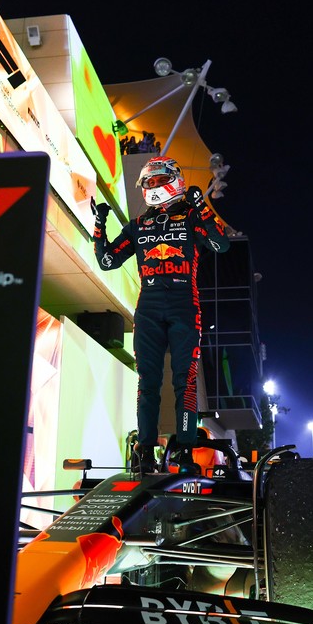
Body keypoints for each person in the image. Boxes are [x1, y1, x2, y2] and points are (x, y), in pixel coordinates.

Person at [92, 156, 229, 473]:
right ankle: (144, 450)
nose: (152, 187)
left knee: (186, 381)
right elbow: (109, 261)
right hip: (149, 305)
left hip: (184, 302)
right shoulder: (139, 225)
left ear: (174, 180)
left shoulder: (192, 217)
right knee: (147, 381)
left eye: (157, 181)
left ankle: (184, 450)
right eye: (148, 183)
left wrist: (203, 209)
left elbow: (220, 245)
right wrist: (99, 225)